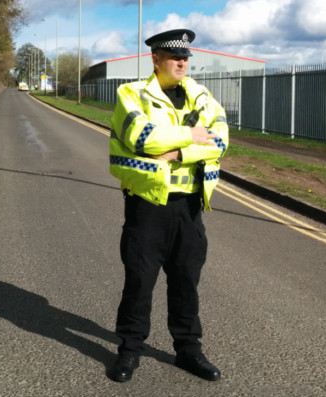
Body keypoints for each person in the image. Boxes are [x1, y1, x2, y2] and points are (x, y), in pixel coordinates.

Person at [107, 28, 229, 383]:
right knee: (139, 282)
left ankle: (188, 350)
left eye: (186, 57)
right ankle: (129, 351)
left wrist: (178, 150)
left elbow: (220, 141)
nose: (182, 62)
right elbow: (143, 139)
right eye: (175, 57)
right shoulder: (132, 94)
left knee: (186, 281)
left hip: (189, 208)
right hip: (148, 208)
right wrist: (192, 135)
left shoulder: (201, 96)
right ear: (155, 59)